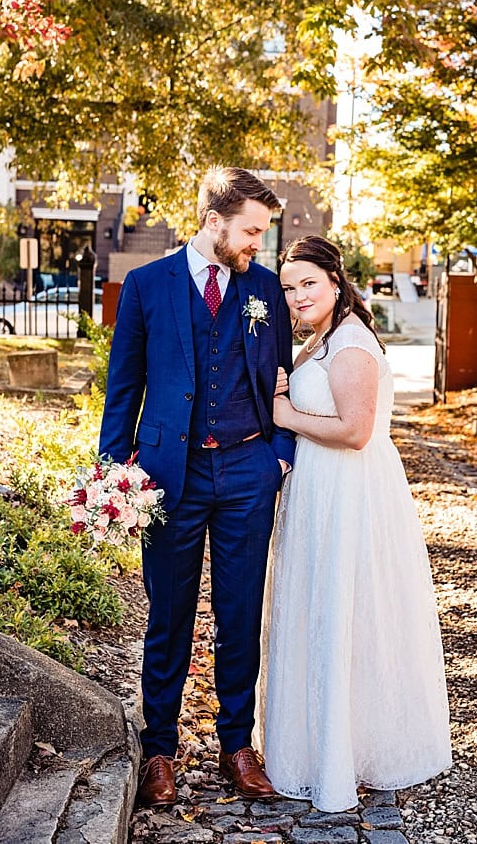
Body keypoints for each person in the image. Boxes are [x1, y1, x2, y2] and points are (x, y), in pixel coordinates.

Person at [100, 167, 293, 807]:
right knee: (169, 616)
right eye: (250, 231)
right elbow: (124, 384)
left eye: (262, 234)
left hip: (246, 469)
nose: (257, 246)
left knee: (240, 614)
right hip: (167, 476)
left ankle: (238, 745)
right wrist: (113, 471)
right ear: (215, 221)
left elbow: (283, 377)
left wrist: (280, 457)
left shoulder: (265, 289)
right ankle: (159, 750)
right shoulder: (147, 286)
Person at [257, 235, 452, 811]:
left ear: (336, 282)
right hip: (318, 489)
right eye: (289, 288)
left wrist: (285, 412)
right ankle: (322, 745)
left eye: (308, 284)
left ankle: (348, 753)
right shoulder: (322, 337)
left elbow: (356, 430)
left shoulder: (351, 342)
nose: (297, 296)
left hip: (348, 491)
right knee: (320, 614)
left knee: (344, 613)